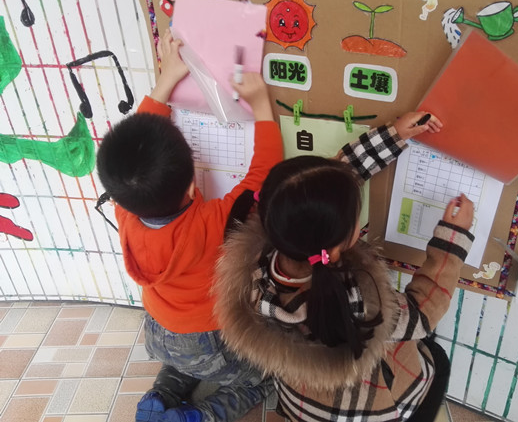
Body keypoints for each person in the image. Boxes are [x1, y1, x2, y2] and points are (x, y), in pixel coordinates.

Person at [214, 112, 475, 422]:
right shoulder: (357, 304)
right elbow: (423, 313)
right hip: (368, 408)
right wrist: (452, 239)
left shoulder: (260, 256)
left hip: (301, 402)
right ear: (338, 246)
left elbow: (315, 192)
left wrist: (393, 135)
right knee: (437, 360)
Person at [96, 30, 283, 422]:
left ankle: (160, 397)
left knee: (185, 362)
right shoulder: (214, 223)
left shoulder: (125, 211)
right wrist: (262, 105)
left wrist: (167, 78)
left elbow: (136, 153)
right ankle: (196, 416)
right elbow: (263, 178)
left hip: (158, 331)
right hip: (208, 339)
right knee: (264, 377)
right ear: (192, 187)